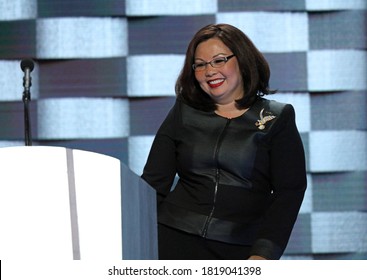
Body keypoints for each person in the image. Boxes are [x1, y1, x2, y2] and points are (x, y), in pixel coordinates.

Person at [141, 23, 307, 260]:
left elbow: (289, 193)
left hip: (239, 249)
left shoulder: (277, 118)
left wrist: (264, 254)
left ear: (242, 60)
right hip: (170, 239)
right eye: (200, 65)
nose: (209, 71)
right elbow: (153, 184)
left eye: (219, 60)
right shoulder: (183, 111)